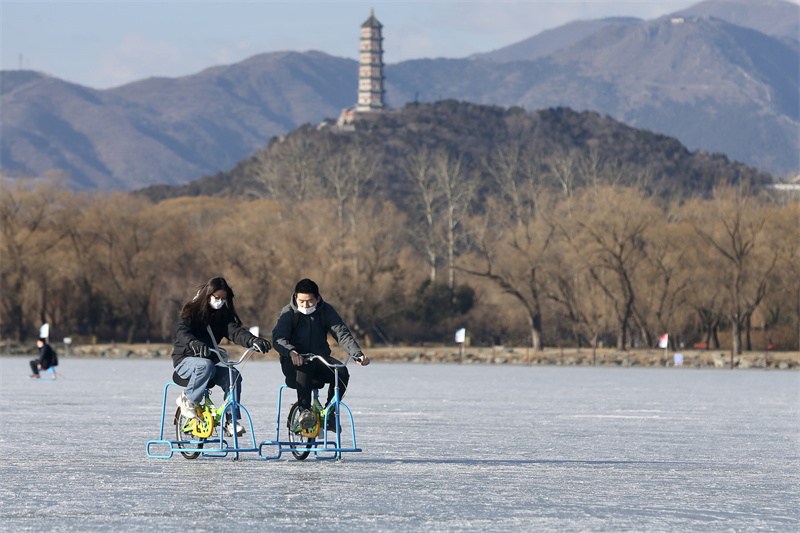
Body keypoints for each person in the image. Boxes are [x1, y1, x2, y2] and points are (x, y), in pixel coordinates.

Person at [171, 276, 271, 437]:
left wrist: (253, 340)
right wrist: (193, 343)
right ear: (208, 294)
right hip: (186, 360)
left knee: (233, 376)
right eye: (217, 298)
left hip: (210, 359)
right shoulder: (192, 310)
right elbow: (182, 332)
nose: (220, 302)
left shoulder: (223, 315)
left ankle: (231, 421)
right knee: (205, 366)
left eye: (223, 299)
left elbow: (235, 332)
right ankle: (187, 399)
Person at [272, 278, 369, 431]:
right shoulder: (289, 312)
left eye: (309, 301)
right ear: (296, 297)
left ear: (318, 298)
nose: (305, 305)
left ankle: (330, 411)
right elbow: (279, 338)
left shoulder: (326, 310)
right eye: (301, 301)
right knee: (305, 364)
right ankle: (304, 411)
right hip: (294, 362)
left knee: (341, 372)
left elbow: (341, 333)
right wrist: (291, 352)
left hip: (319, 359)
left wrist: (357, 353)